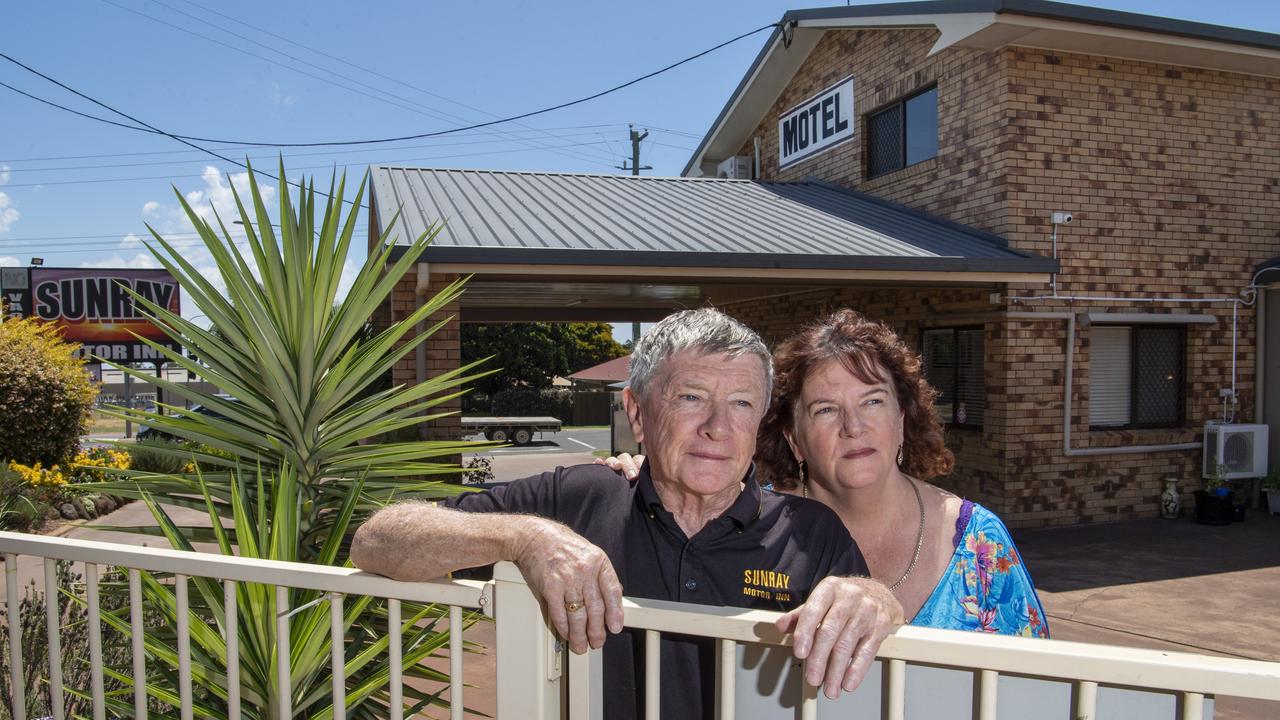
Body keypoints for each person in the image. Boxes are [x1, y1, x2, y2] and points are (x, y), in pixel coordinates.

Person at [351, 308, 903, 720]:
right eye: (690, 397)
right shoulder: (579, 500)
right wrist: (523, 537)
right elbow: (376, 540)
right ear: (637, 413)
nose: (718, 426)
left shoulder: (809, 532)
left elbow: (874, 639)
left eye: (741, 404)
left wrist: (876, 600)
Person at [604, 309, 1048, 637]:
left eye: (872, 402)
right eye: (825, 409)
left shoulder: (978, 542)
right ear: (794, 438)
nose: (853, 427)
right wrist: (659, 474)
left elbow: (1038, 682)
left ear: (903, 420)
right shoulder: (742, 523)